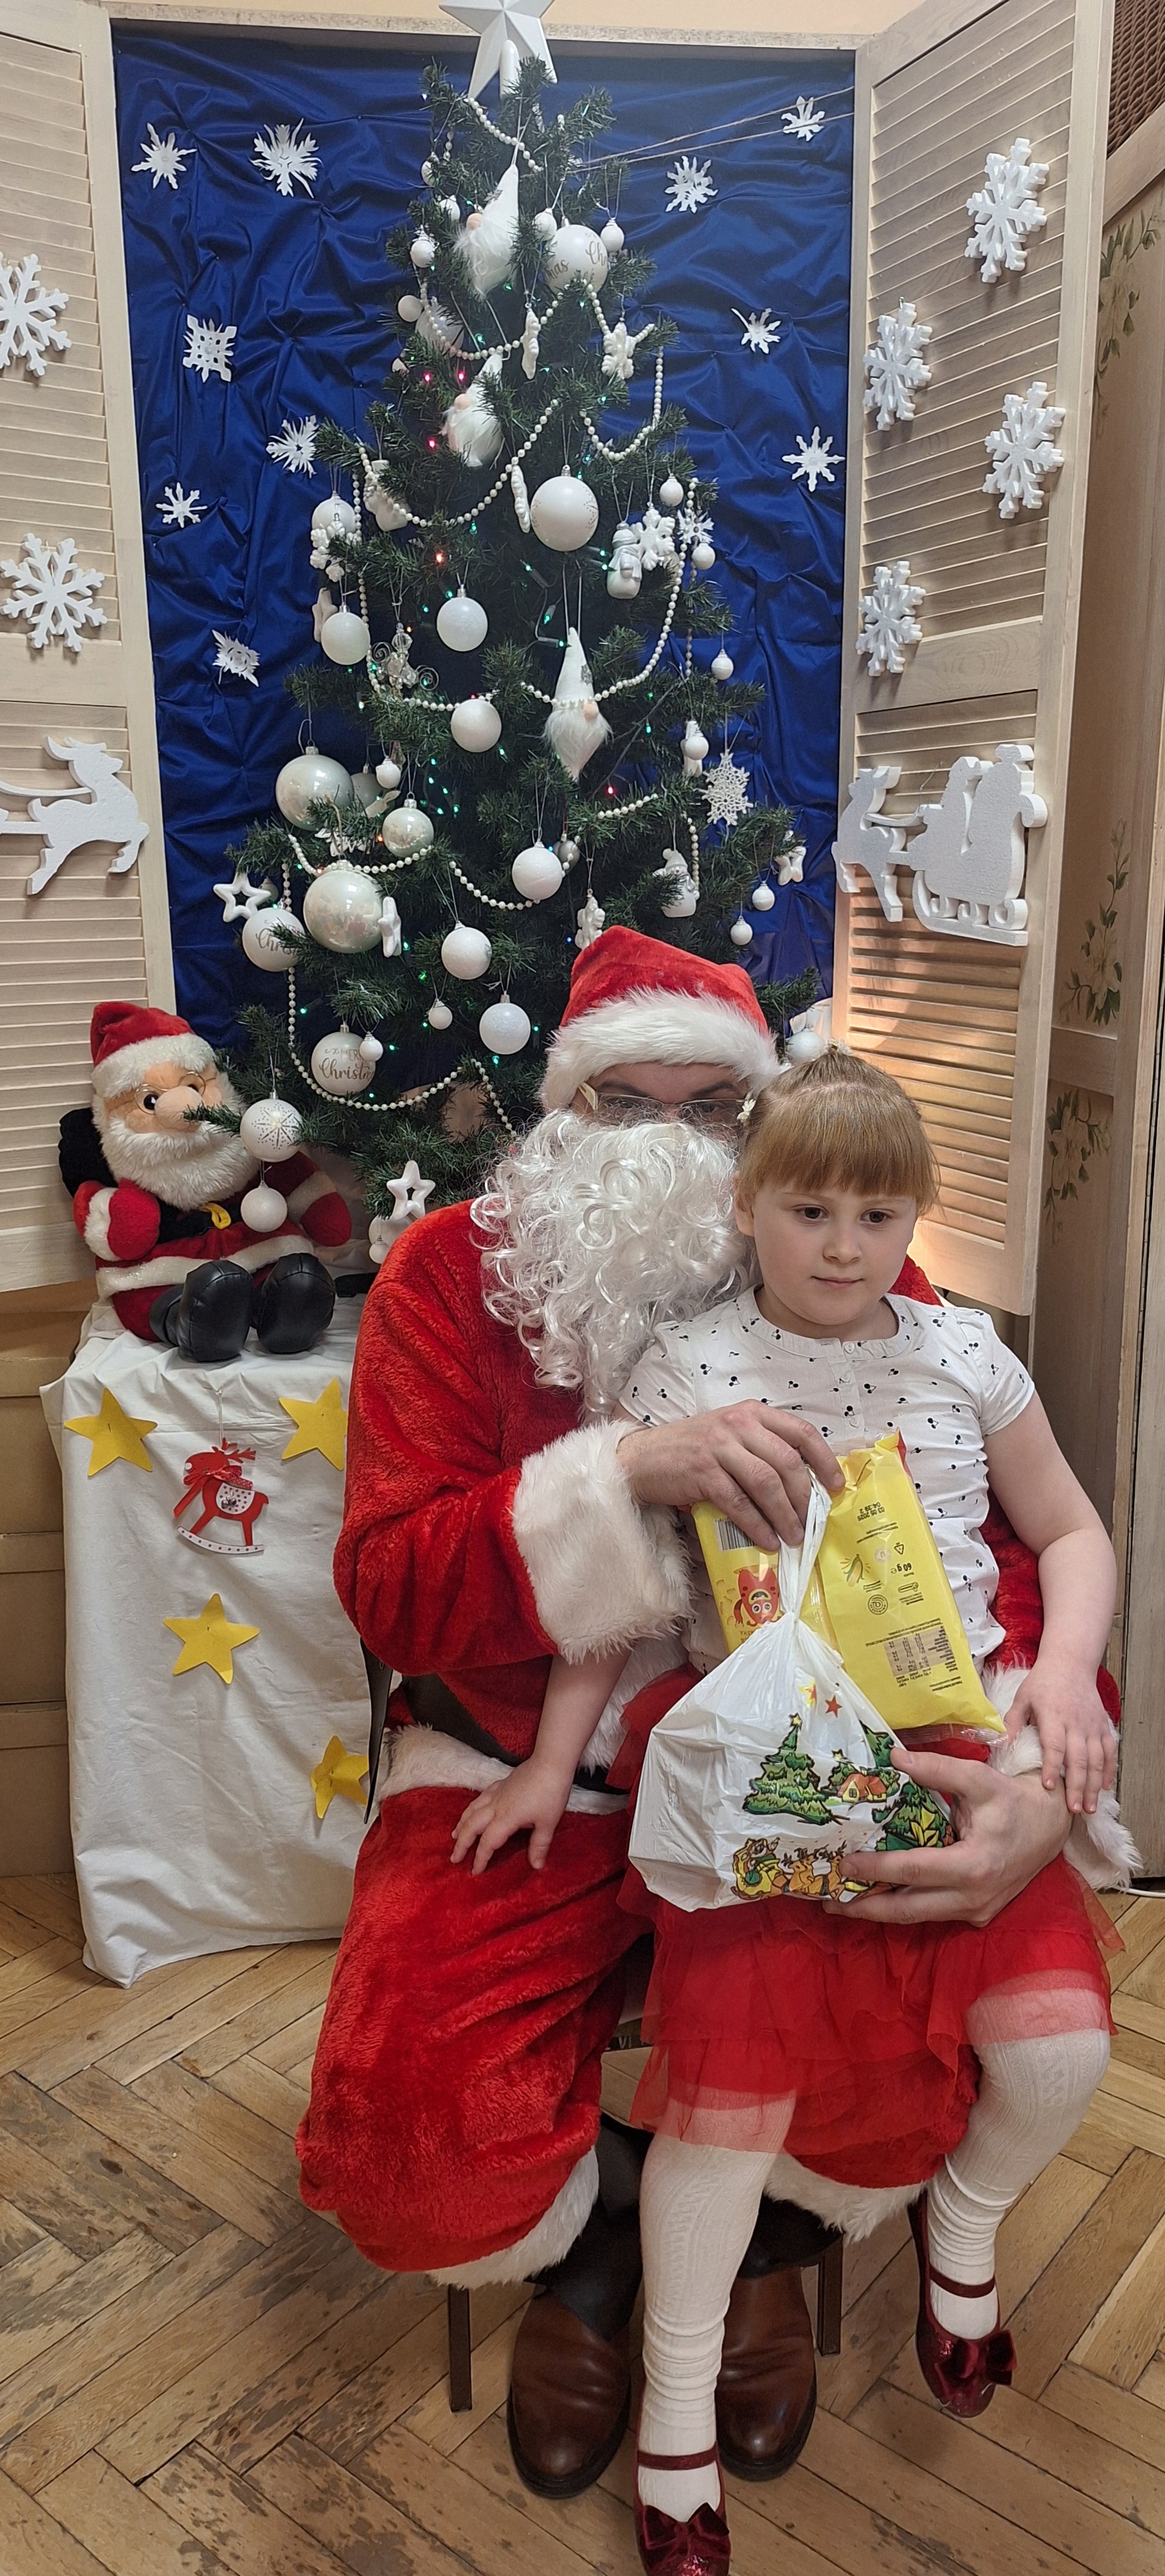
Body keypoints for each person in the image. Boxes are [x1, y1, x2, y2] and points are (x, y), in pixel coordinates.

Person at [297, 930, 1114, 2503]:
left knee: (909, 2085)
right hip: (528, 1762)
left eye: (712, 1108)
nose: (670, 1143)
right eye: (627, 1102)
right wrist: (616, 1478)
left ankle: (756, 2247)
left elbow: (999, 1549)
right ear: (563, 1108)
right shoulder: (446, 1278)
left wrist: (1044, 1782)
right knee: (411, 2158)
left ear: (762, 1131)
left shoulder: (843, 1253)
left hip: (810, 1765)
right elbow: (389, 1587)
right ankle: (611, 2242)